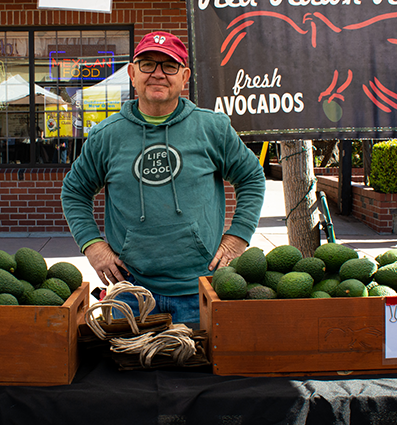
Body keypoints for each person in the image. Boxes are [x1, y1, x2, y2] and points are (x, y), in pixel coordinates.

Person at [61, 31, 266, 324]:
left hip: (202, 289)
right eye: (147, 64)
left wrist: (237, 237)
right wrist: (93, 246)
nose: (158, 74)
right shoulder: (107, 136)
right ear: (132, 74)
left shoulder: (212, 128)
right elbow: (74, 192)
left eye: (169, 66)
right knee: (127, 367)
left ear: (185, 77)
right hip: (131, 294)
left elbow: (251, 177)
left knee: (201, 369)